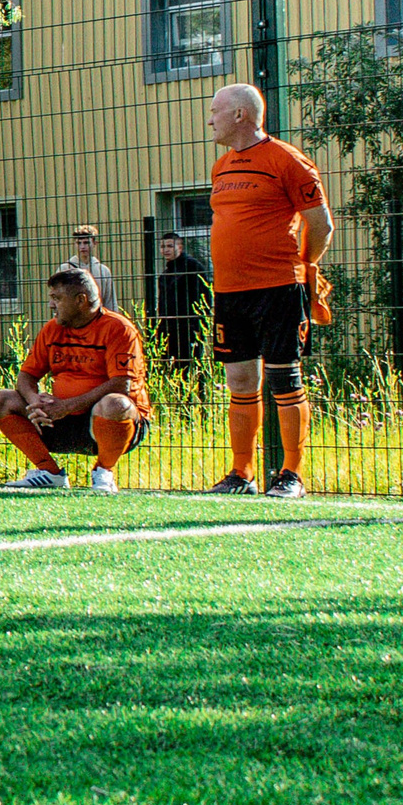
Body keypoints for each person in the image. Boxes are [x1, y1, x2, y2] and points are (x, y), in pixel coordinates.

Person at [204, 82, 333, 498]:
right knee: (240, 380)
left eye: (215, 111)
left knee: (284, 377)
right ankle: (241, 474)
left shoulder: (286, 160)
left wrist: (305, 267)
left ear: (240, 115)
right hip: (229, 291)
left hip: (279, 287)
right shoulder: (221, 167)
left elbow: (321, 225)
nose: (210, 119)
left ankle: (291, 475)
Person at [0, 266, 152, 492]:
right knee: (2, 400)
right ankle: (49, 472)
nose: (51, 305)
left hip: (111, 422)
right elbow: (26, 376)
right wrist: (35, 400)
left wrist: (66, 406)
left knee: (116, 403)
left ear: (81, 300)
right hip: (60, 418)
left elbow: (121, 384)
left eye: (57, 298)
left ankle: (104, 474)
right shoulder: (52, 329)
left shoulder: (118, 329)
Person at [153, 231, 212, 369]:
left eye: (170, 246)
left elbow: (205, 297)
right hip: (169, 326)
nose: (165, 250)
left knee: (190, 366)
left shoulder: (193, 267)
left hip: (189, 326)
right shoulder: (166, 274)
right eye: (162, 247)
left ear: (180, 247)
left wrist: (199, 322)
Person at [63, 225, 118, 311]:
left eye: (86, 243)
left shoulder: (103, 271)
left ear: (95, 244)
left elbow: (110, 301)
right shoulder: (65, 268)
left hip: (98, 317)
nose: (82, 247)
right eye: (78, 243)